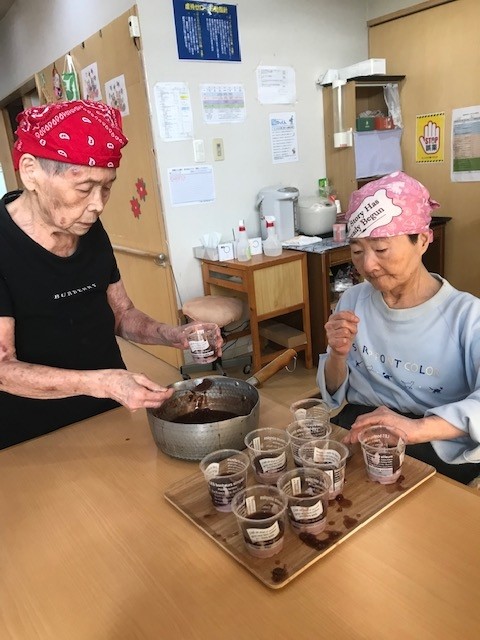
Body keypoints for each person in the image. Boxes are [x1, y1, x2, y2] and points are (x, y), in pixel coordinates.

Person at [0, 100, 222, 449]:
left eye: (106, 187)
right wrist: (103, 382)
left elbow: (121, 314)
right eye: (84, 188)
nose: (98, 204)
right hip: (31, 433)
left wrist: (173, 335)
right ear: (31, 172)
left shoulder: (87, 227)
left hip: (107, 413)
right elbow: (3, 368)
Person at [316, 171, 480, 485]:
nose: (368, 266)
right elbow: (334, 392)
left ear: (423, 240)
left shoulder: (468, 317)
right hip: (363, 427)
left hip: (436, 442)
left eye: (381, 249)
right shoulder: (353, 300)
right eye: (357, 251)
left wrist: (415, 429)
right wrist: (337, 355)